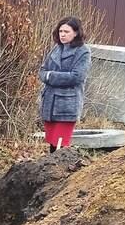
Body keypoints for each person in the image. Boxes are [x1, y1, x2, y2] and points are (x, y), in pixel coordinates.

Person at [38, 17, 92, 153]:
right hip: (50, 103)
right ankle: (50, 169)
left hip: (67, 104)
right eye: (60, 31)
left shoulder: (83, 51)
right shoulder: (56, 49)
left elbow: (77, 77)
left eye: (66, 31)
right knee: (52, 142)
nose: (62, 34)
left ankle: (57, 171)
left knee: (60, 143)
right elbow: (42, 71)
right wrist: (48, 75)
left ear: (76, 33)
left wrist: (51, 76)